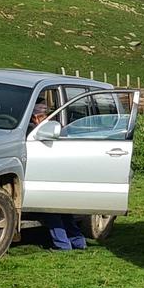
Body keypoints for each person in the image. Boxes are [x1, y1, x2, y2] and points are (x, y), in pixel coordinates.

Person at [29, 99, 89, 250]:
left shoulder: (48, 130)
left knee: (51, 211)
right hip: (63, 175)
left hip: (52, 177)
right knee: (64, 211)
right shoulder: (60, 128)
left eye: (38, 116)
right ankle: (78, 241)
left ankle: (62, 244)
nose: (36, 119)